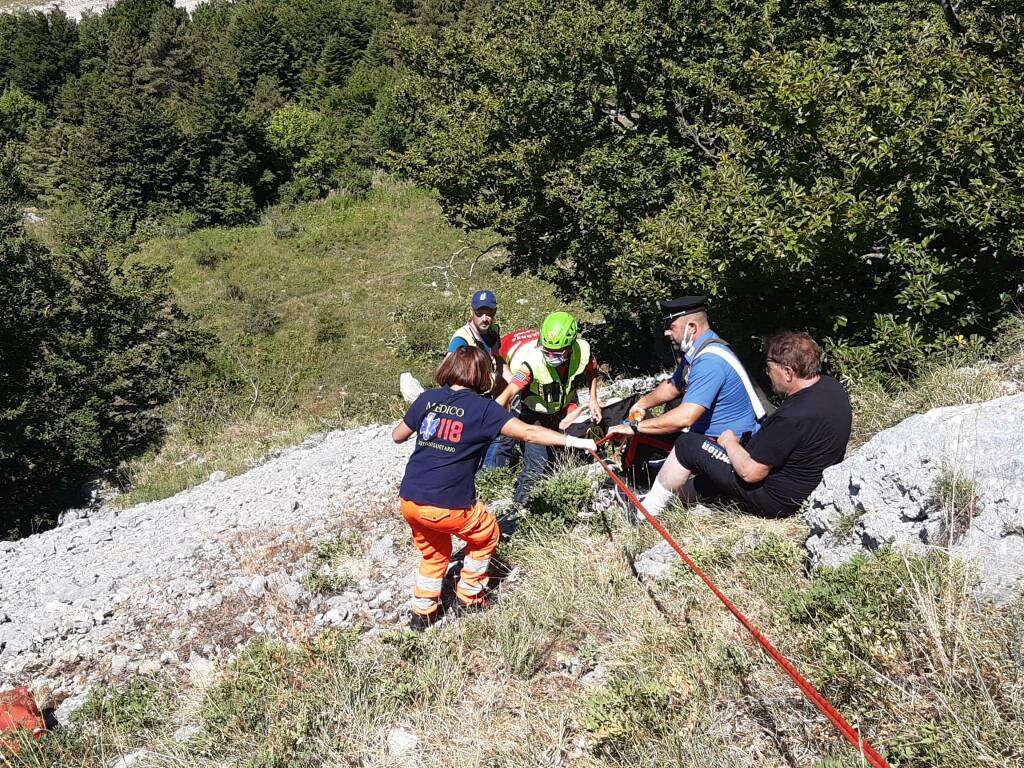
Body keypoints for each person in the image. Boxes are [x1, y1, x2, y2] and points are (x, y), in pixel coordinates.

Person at [393, 346, 597, 630]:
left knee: (434, 552)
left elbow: (397, 436)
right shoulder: (483, 409)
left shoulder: (428, 398)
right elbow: (529, 432)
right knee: (487, 533)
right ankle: (469, 596)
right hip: (449, 502)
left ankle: (422, 611)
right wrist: (575, 442)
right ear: (482, 375)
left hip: (410, 500)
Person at [634, 331, 851, 518]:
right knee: (714, 469)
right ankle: (670, 505)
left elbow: (750, 472)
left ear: (788, 372)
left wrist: (728, 442)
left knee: (688, 445)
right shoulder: (831, 388)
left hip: (776, 499)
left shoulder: (792, 417)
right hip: (805, 484)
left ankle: (646, 514)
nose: (768, 374)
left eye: (769, 368)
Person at [606, 296, 765, 506]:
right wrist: (642, 404)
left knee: (676, 443)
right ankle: (646, 482)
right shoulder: (699, 350)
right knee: (647, 438)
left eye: (671, 327)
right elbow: (673, 386)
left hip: (730, 444)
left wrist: (634, 427)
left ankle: (651, 507)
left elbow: (686, 416)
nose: (666, 333)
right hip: (711, 437)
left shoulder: (710, 361)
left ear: (691, 327)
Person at [496, 312, 603, 504]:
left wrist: (593, 398)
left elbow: (592, 371)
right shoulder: (531, 363)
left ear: (571, 346)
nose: (551, 356)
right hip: (533, 414)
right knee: (536, 464)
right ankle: (519, 506)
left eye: (558, 352)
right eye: (547, 351)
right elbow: (510, 391)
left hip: (560, 408)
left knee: (559, 453)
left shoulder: (583, 350)